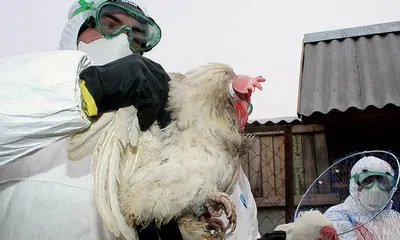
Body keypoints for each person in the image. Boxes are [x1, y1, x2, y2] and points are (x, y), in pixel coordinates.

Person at [0, 0, 261, 239]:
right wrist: (90, 89)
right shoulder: (26, 94)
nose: (122, 40)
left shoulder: (162, 118)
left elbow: (242, 230)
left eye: (136, 35)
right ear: (76, 29)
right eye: (110, 25)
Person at [323, 156, 400, 239]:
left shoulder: (395, 217)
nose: (375, 188)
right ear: (354, 185)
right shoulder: (336, 216)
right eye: (367, 180)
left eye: (382, 180)